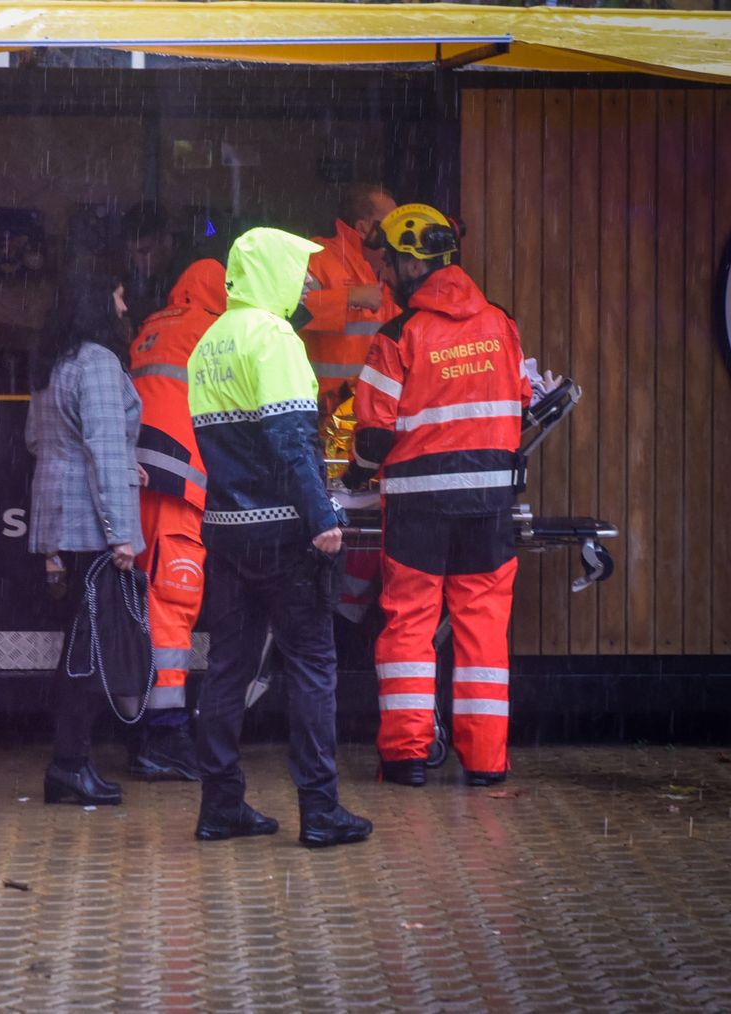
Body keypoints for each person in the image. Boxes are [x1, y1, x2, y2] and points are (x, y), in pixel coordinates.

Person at [186, 227, 373, 849]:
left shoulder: (208, 342)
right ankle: (320, 811)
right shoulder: (274, 337)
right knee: (312, 667)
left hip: (226, 533)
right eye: (297, 271)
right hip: (286, 535)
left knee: (227, 670)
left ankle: (220, 805)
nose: (305, 283)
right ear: (272, 273)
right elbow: (293, 440)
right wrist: (322, 518)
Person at [345, 204, 530, 788]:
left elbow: (373, 436)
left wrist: (353, 479)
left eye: (391, 262)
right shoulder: (501, 323)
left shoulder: (400, 335)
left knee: (409, 628)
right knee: (482, 631)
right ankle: (486, 762)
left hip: (419, 512)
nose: (387, 273)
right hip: (490, 509)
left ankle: (405, 757)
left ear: (409, 263)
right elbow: (522, 401)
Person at [26, 274, 143, 807]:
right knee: (87, 655)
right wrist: (123, 533)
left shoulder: (57, 361)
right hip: (92, 527)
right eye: (117, 294)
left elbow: (37, 439)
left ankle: (69, 764)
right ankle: (70, 766)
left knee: (75, 648)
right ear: (98, 303)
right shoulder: (98, 361)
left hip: (57, 519)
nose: (124, 304)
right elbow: (102, 447)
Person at [125, 258, 228, 781]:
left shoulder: (150, 328)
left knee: (146, 603)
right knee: (171, 605)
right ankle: (164, 734)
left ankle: (146, 723)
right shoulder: (209, 330)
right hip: (178, 485)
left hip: (141, 484)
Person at [300, 183, 401, 419]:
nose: (398, 228)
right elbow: (291, 312)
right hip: (324, 412)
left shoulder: (394, 269)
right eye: (391, 221)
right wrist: (349, 298)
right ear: (363, 227)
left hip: (377, 409)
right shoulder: (319, 258)